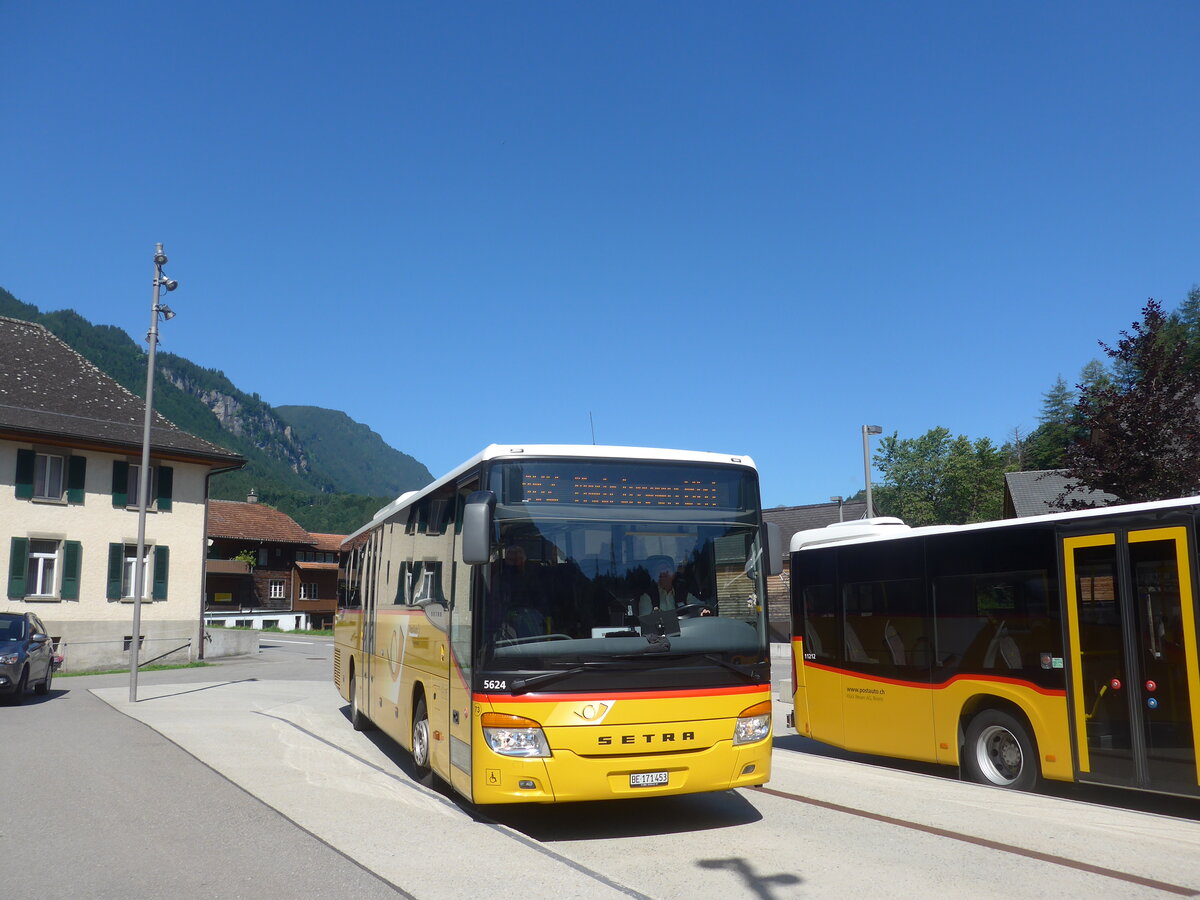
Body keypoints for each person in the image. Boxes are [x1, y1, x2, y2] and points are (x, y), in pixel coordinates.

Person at [637, 557, 707, 616]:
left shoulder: (683, 593)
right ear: (655, 576)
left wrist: (702, 610)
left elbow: (699, 606)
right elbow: (646, 623)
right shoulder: (647, 597)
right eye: (660, 570)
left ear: (673, 575)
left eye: (667, 569)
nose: (664, 572)